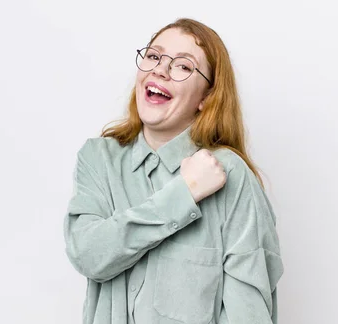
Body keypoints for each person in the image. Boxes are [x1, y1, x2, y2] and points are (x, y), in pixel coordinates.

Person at [64, 18, 284, 324]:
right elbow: (89, 255)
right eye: (154, 56)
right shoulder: (99, 158)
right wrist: (184, 193)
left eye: (182, 66)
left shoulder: (230, 175)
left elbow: (248, 313)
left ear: (207, 98)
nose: (160, 70)